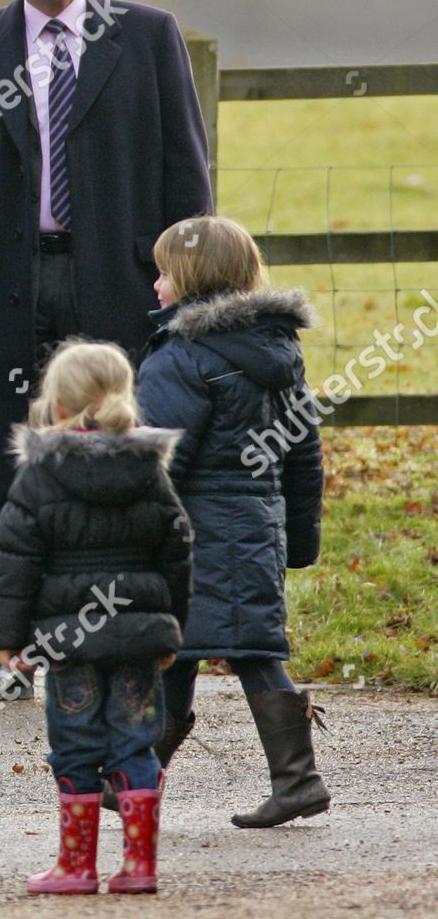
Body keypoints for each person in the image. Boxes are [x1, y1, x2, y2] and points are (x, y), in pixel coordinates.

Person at [0, 0, 213, 703]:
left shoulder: (146, 37)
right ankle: (7, 657)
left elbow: (186, 170)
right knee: (6, 467)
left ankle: (137, 641)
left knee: (127, 456)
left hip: (120, 281)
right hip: (9, 285)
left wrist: (191, 284)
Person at [134, 215, 328, 828]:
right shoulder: (278, 350)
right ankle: (136, 781)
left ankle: (298, 782)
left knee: (206, 650)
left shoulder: (181, 355)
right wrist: (299, 538)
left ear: (190, 278)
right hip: (255, 524)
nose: (155, 284)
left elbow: (160, 456)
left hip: (193, 533)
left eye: (163, 271)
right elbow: (302, 453)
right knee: (216, 648)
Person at [0, 339, 191, 895]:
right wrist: (173, 622)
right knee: (135, 743)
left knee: (75, 744)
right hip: (138, 638)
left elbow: (15, 563)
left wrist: (7, 641)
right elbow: (177, 549)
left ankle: (77, 868)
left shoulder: (40, 476)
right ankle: (140, 866)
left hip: (68, 641)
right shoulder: (150, 471)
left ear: (56, 407)